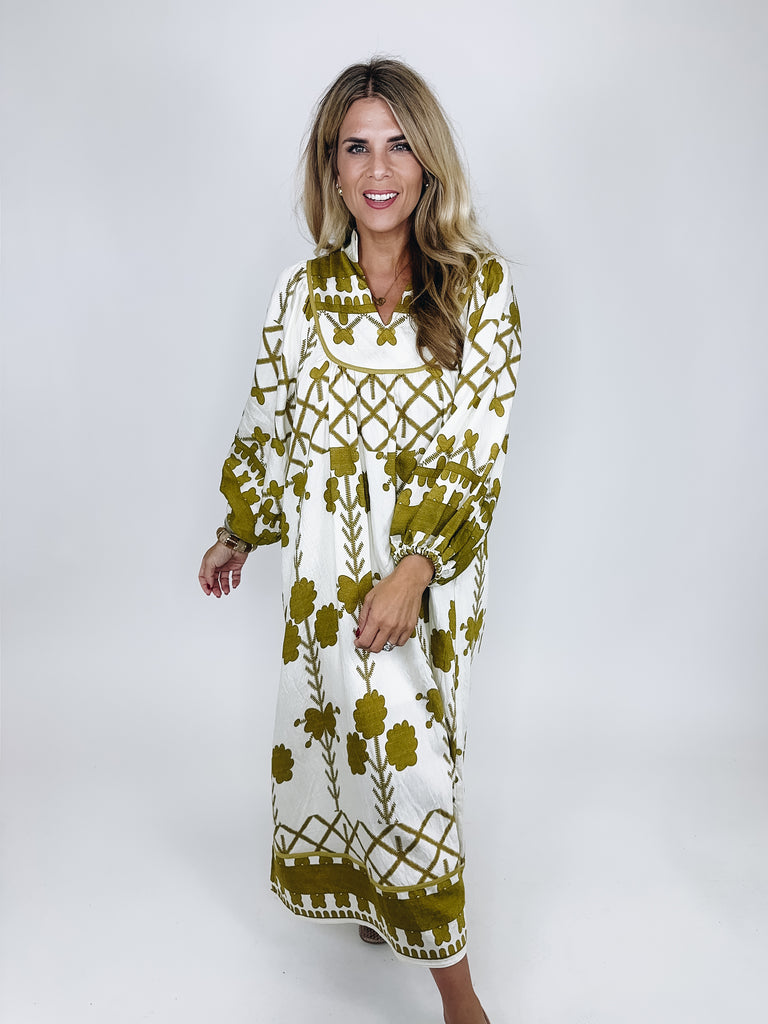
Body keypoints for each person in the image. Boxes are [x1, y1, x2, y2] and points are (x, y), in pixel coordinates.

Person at [199, 57, 521, 1024]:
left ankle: (459, 998)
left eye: (399, 146)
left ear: (428, 164)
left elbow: (480, 448)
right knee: (338, 735)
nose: (379, 169)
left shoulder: (478, 290)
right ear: (332, 169)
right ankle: (382, 903)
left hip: (428, 572)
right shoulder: (302, 293)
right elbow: (270, 416)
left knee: (411, 763)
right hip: (321, 572)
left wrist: (413, 570)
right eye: (356, 147)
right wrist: (239, 529)